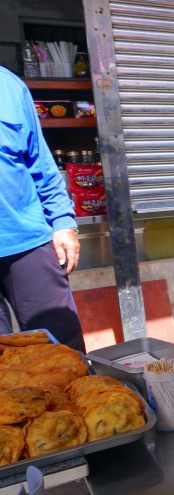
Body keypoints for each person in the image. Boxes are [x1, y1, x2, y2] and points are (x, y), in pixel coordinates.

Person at [0, 67, 84, 350]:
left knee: (63, 349)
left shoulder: (8, 85)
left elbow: (40, 162)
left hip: (28, 241)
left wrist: (62, 221)